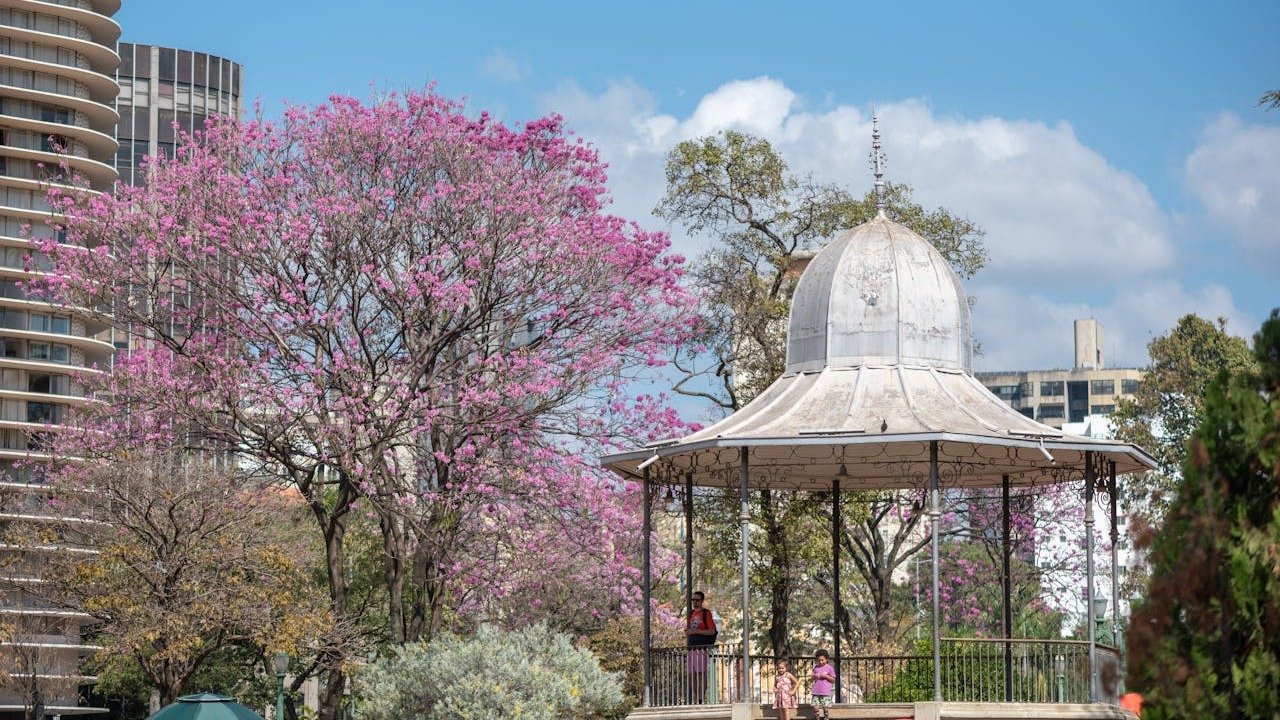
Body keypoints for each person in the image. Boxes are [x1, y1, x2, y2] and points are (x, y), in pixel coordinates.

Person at [685, 591, 717, 703]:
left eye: (697, 600)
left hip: (701, 648)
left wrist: (696, 631)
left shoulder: (706, 614)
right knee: (691, 674)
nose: (695, 602)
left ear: (702, 601)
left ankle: (701, 698)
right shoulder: (691, 614)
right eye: (693, 600)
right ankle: (697, 697)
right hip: (691, 648)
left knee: (701, 673)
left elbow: (712, 631)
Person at [810, 649, 835, 720]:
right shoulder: (816, 668)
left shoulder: (829, 668)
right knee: (815, 707)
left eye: (822, 660)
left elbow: (833, 680)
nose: (820, 662)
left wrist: (826, 676)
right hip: (816, 691)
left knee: (825, 707)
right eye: (819, 660)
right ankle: (817, 717)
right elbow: (812, 678)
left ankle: (826, 716)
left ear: (827, 659)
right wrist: (815, 676)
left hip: (825, 691)